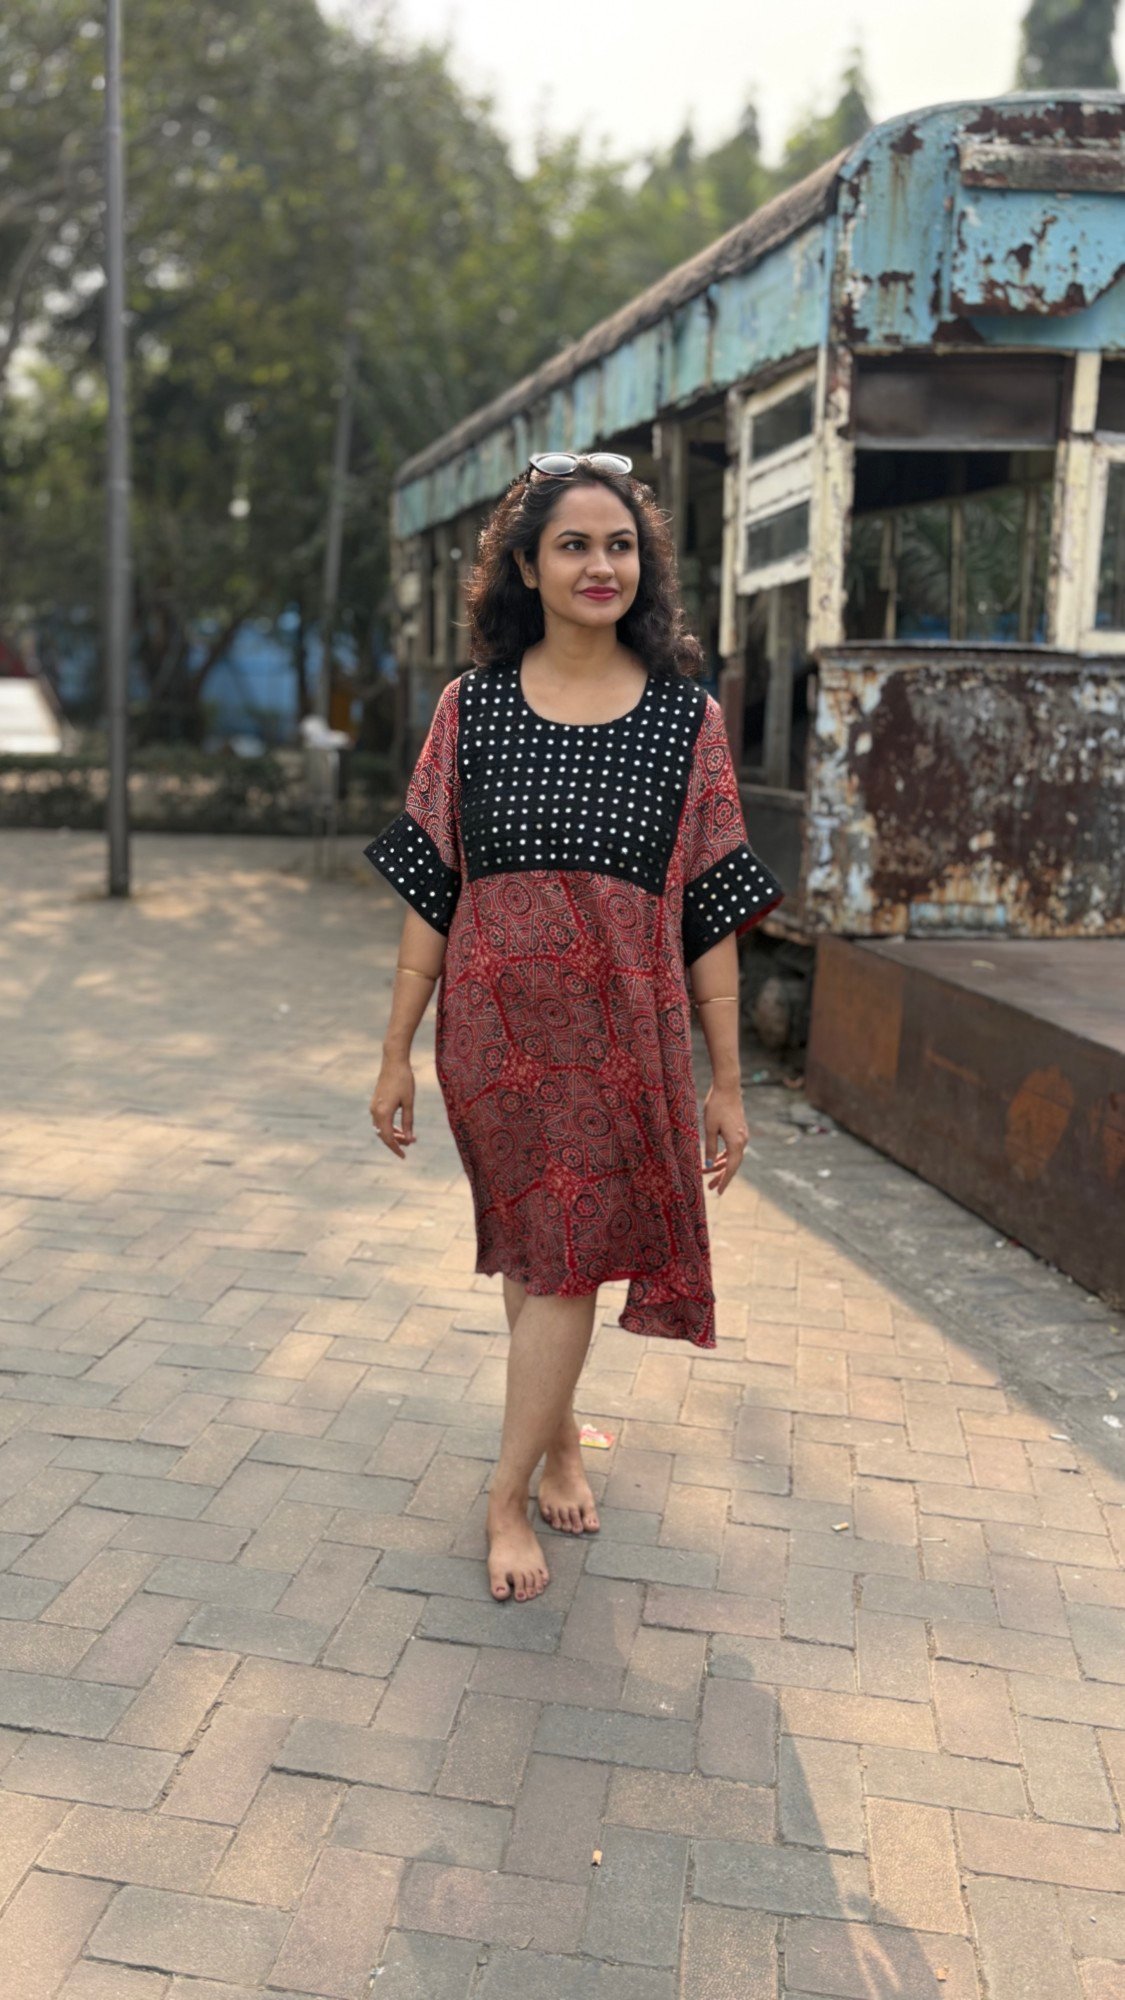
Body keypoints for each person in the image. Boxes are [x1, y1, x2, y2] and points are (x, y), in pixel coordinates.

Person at [365, 451, 783, 1606]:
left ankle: (513, 1479)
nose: (602, 565)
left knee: (563, 1256)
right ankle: (539, 1458)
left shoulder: (687, 718)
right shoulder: (471, 707)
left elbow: (710, 908)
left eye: (621, 545)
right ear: (526, 567)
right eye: (574, 545)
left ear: (644, 565)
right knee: (539, 1247)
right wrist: (394, 1050)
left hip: (622, 1039)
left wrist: (727, 1080)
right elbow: (431, 887)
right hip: (494, 1036)